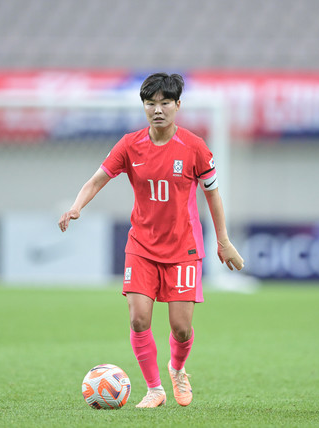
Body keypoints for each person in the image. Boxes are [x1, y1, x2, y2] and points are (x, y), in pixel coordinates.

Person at [58, 73, 245, 408]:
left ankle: (177, 368)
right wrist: (75, 206)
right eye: (150, 103)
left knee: (181, 328)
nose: (157, 110)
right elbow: (98, 179)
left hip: (184, 248)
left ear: (177, 105)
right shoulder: (130, 144)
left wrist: (223, 241)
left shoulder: (195, 147)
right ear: (143, 106)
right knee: (138, 318)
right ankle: (155, 389)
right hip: (141, 246)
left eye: (165, 103)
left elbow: (213, 196)